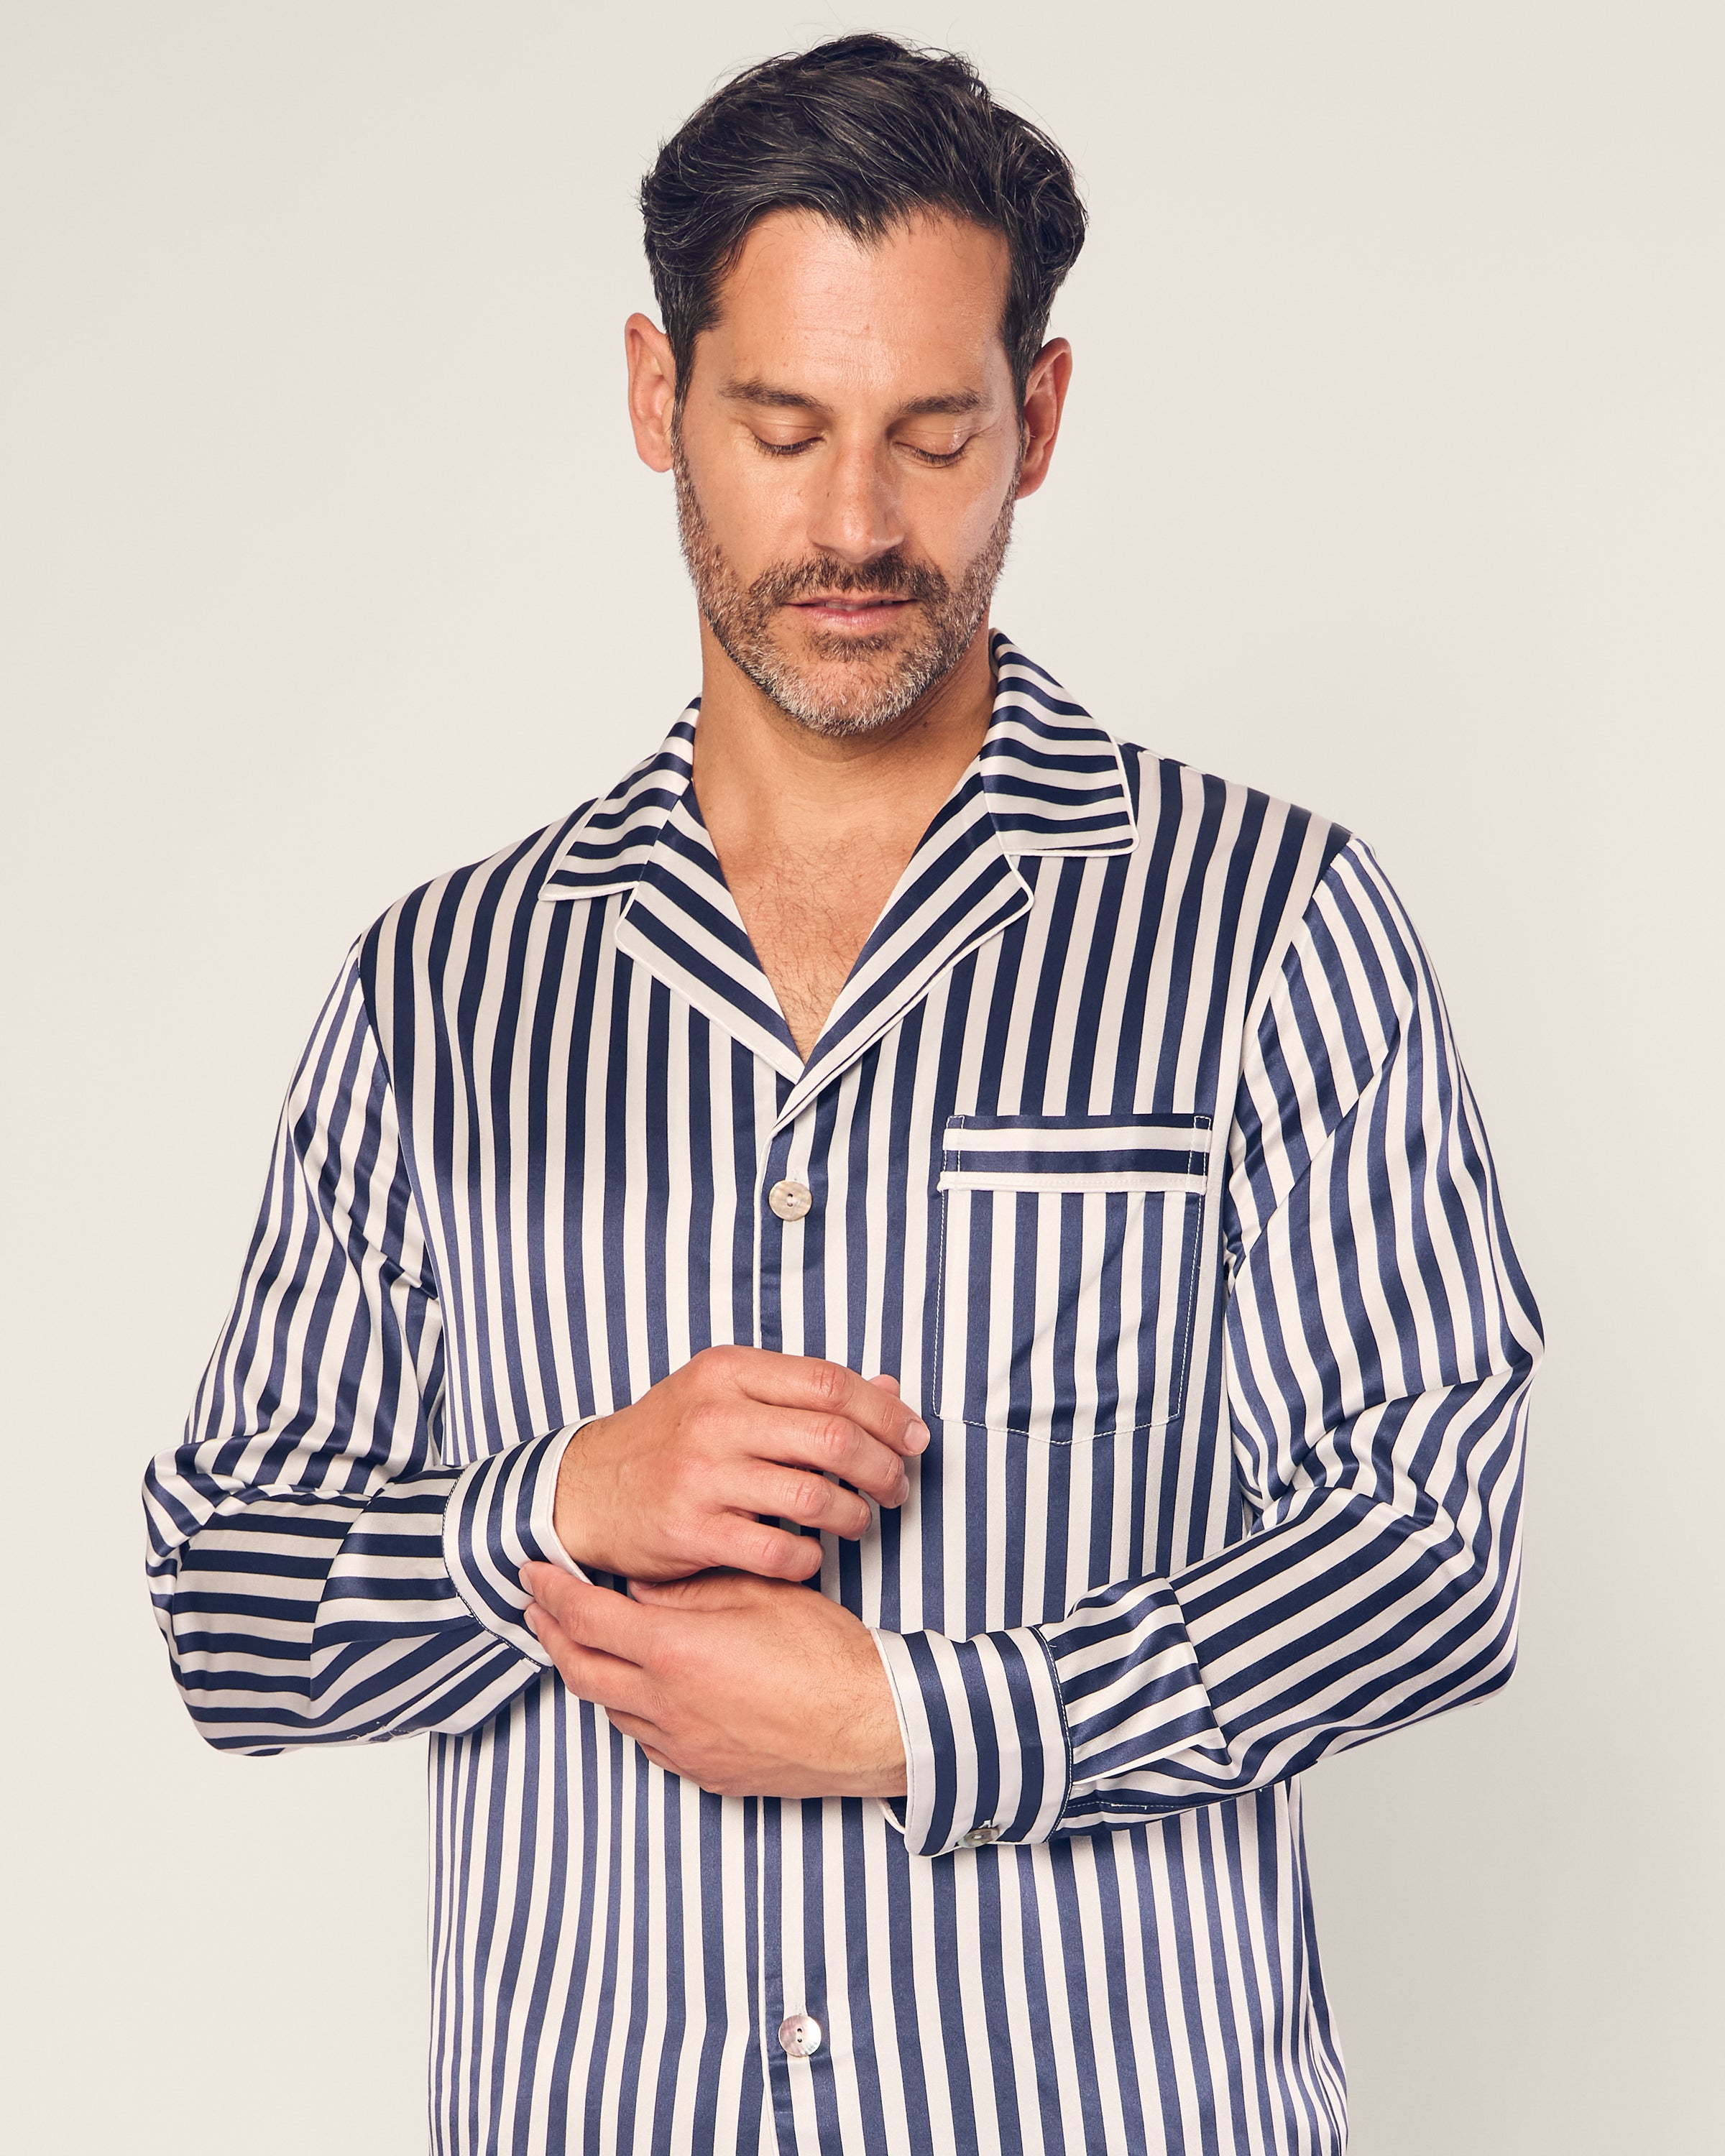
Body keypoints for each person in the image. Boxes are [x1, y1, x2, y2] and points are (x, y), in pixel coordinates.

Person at [144, 32, 1542, 2156]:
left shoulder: (1274, 925)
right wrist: (559, 1499)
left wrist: (925, 1716)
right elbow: (227, 1604)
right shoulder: (441, 991)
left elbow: (1427, 1555)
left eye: (933, 433)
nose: (859, 526)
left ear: (1039, 422)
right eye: (784, 430)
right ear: (655, 399)